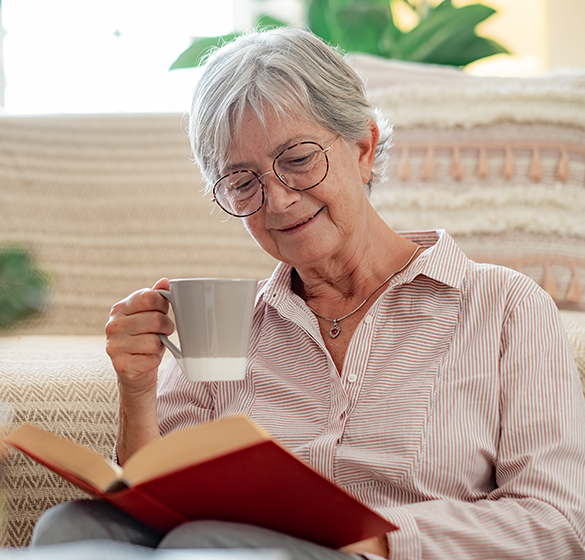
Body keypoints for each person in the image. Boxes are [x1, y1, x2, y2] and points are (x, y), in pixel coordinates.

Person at [30, 27, 585, 559]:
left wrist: (371, 538)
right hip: (226, 546)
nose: (278, 200)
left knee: (208, 549)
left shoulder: (504, 306)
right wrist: (137, 387)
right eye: (243, 182)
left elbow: (559, 523)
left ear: (363, 148)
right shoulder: (231, 324)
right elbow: (151, 499)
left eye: (297, 160)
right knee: (72, 529)